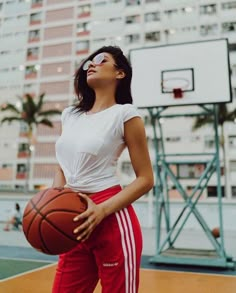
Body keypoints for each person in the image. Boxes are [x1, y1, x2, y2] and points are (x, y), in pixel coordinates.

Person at [52, 46, 154, 293]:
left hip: (111, 215)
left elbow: (146, 179)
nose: (92, 64)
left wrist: (102, 210)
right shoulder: (70, 115)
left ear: (120, 73)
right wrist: (53, 201)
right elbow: (64, 164)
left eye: (101, 59)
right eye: (89, 62)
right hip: (74, 216)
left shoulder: (125, 114)